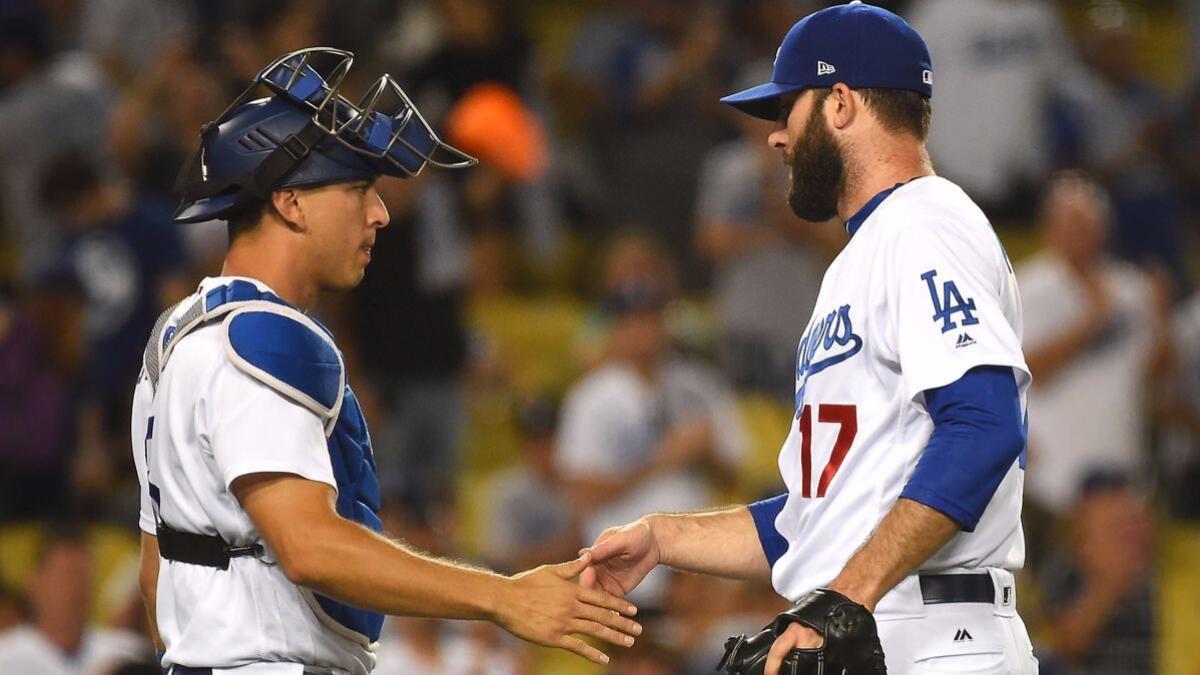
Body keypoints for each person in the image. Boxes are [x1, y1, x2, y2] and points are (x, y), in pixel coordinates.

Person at [131, 48, 640, 675]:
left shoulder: (176, 336)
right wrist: (503, 597)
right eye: (358, 189)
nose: (381, 213)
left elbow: (156, 578)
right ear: (290, 201)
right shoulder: (268, 336)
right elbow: (310, 547)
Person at [580, 4, 1037, 674]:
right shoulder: (862, 255)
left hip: (934, 632)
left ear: (842, 104)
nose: (775, 136)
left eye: (787, 109)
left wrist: (844, 596)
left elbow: (984, 424)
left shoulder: (924, 224)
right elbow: (815, 515)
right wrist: (663, 536)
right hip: (884, 619)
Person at [1018, 172, 1170, 514]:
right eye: (1070, 224)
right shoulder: (1026, 288)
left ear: (1105, 228)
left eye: (1088, 224)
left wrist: (1161, 320)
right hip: (1053, 477)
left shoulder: (1132, 287)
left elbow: (1155, 375)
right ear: (1050, 228)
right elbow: (1026, 372)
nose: (1080, 234)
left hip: (1123, 462)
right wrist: (1091, 325)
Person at [0, 530, 147, 675]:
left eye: (82, 578)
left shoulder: (128, 654)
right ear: (34, 582)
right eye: (64, 577)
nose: (74, 589)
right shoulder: (5, 657)